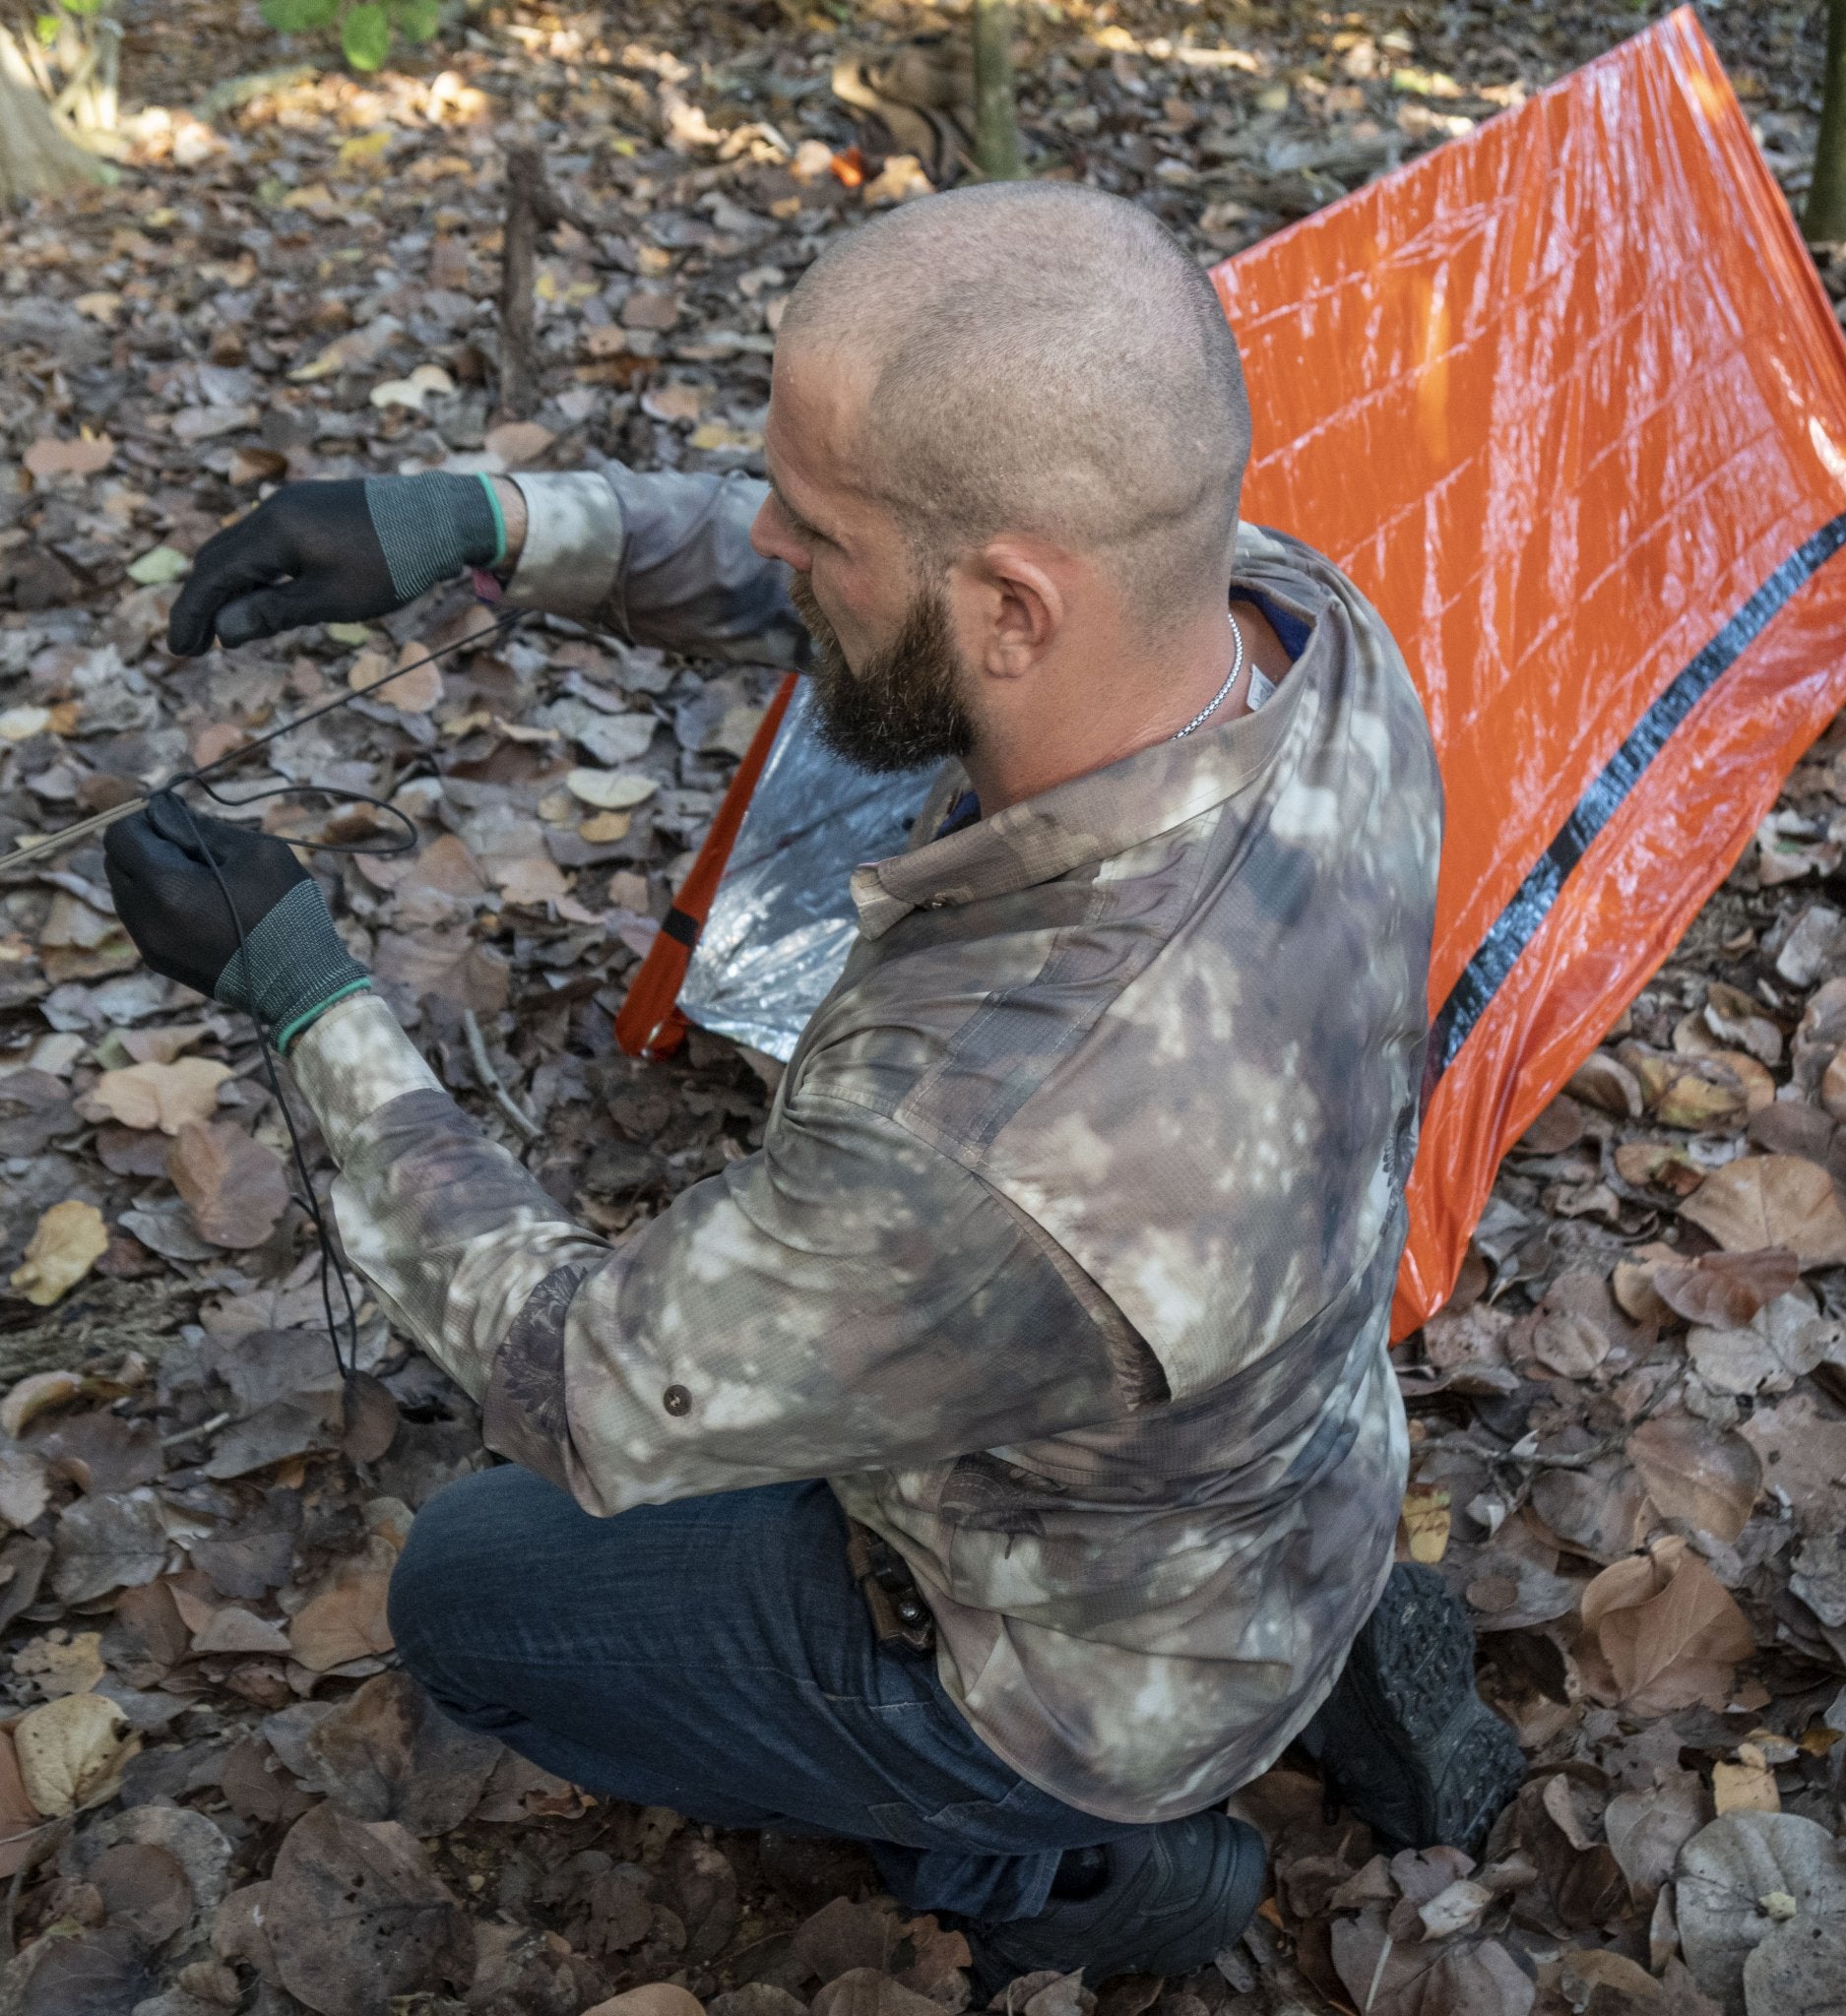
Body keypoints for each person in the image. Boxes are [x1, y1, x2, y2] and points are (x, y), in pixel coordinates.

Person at [105, 183, 1521, 1988]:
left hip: (1075, 1670)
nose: (768, 535)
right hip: (1287, 1469)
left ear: (1014, 607)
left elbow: (581, 1380)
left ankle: (1096, 1871)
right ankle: (1297, 1682)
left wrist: (303, 993)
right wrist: (486, 523)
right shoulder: (1300, 634)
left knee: (475, 1585)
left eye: (810, 523)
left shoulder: (998, 1130)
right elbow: (895, 584)